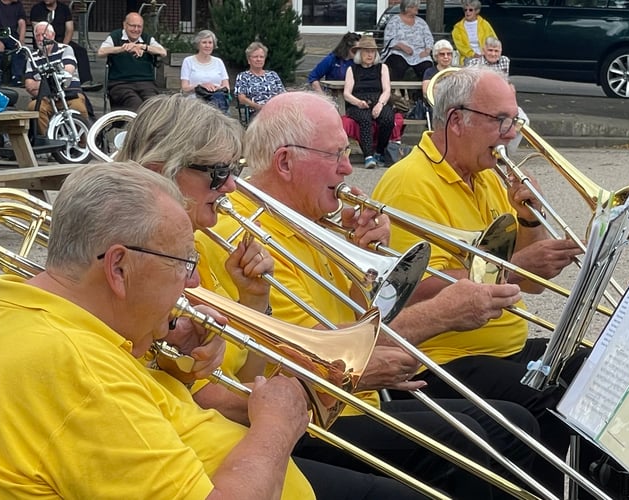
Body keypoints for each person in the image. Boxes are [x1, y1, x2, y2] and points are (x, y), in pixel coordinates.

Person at [192, 90, 543, 499]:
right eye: (336, 155)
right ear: (285, 161)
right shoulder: (243, 236)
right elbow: (322, 353)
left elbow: (357, 324)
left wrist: (368, 262)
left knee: (510, 426)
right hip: (308, 414)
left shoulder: (313, 221)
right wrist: (439, 315)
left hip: (355, 401)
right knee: (474, 439)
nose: (347, 168)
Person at [0, 161, 325, 498]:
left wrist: (167, 361)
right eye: (183, 262)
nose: (191, 283)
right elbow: (94, 395)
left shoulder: (24, 307)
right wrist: (276, 427)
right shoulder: (76, 370)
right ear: (119, 267)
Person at [115, 94, 424, 499]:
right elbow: (213, 398)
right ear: (161, 172)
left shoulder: (192, 246)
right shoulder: (156, 257)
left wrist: (253, 302)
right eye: (218, 172)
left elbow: (241, 379)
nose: (231, 185)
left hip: (244, 441)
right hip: (222, 456)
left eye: (233, 170)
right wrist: (288, 410)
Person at [370, 66, 628, 498]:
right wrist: (515, 266)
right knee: (558, 404)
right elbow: (410, 284)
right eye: (500, 120)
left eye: (514, 120)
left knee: (602, 373)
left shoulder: (487, 173)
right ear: (457, 121)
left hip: (503, 343)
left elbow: (534, 286)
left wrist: (528, 218)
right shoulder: (408, 183)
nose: (511, 133)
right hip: (445, 355)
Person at [24, 22, 88, 135]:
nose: (41, 38)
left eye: (44, 35)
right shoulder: (32, 57)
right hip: (47, 98)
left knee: (79, 108)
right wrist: (51, 83)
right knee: (34, 106)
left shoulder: (65, 49)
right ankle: (49, 142)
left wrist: (41, 83)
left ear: (53, 35)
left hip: (70, 95)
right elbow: (29, 85)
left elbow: (66, 75)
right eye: (37, 35)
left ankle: (83, 145)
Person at [97, 12, 166, 111]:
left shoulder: (147, 38)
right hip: (120, 83)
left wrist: (143, 47)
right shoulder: (115, 36)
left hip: (146, 83)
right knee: (135, 104)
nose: (136, 30)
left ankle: (149, 126)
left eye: (139, 27)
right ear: (124, 25)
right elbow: (101, 52)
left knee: (154, 104)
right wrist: (122, 48)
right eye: (133, 26)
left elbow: (163, 52)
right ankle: (137, 126)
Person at [343, 34, 394, 169]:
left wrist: (380, 104)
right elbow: (347, 94)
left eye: (372, 51)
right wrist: (358, 102)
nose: (370, 54)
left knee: (388, 118)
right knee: (365, 119)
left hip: (378, 100)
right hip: (357, 102)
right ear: (360, 53)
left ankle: (380, 152)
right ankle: (368, 156)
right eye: (366, 51)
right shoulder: (352, 69)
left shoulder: (382, 68)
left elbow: (387, 90)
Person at [29, 0, 97, 88]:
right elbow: (38, 30)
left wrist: (63, 46)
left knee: (81, 51)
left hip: (62, 41)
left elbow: (69, 29)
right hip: (44, 42)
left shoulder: (64, 9)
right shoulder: (36, 9)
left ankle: (85, 81)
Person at [382, 0, 434, 81]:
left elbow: (429, 38)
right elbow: (388, 40)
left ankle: (422, 91)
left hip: (419, 54)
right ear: (407, 8)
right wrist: (402, 46)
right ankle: (397, 90)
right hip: (399, 52)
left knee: (427, 65)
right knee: (398, 64)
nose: (418, 8)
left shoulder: (421, 22)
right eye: (415, 7)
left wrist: (427, 51)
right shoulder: (394, 21)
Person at [180, 29, 230, 113]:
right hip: (195, 101)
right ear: (198, 45)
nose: (207, 46)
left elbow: (227, 87)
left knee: (218, 100)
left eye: (210, 43)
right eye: (204, 42)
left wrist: (218, 88)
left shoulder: (219, 62)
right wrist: (201, 86)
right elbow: (184, 88)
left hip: (217, 99)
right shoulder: (188, 61)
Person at [233, 41, 285, 116]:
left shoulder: (273, 74)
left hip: (277, 111)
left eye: (261, 57)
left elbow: (283, 94)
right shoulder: (243, 76)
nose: (259, 59)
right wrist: (259, 107)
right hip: (257, 113)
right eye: (255, 57)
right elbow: (242, 99)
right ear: (248, 60)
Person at [0, 0, 26, 86]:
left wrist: (21, 40)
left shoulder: (18, 5)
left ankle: (17, 78)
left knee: (20, 50)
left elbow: (22, 22)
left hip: (12, 35)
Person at [452, 0, 497, 65]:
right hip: (467, 57)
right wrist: (473, 55)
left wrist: (487, 53)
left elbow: (494, 40)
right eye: (465, 10)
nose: (467, 12)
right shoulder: (457, 28)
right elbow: (460, 47)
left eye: (470, 10)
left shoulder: (484, 24)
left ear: (477, 11)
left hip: (485, 55)